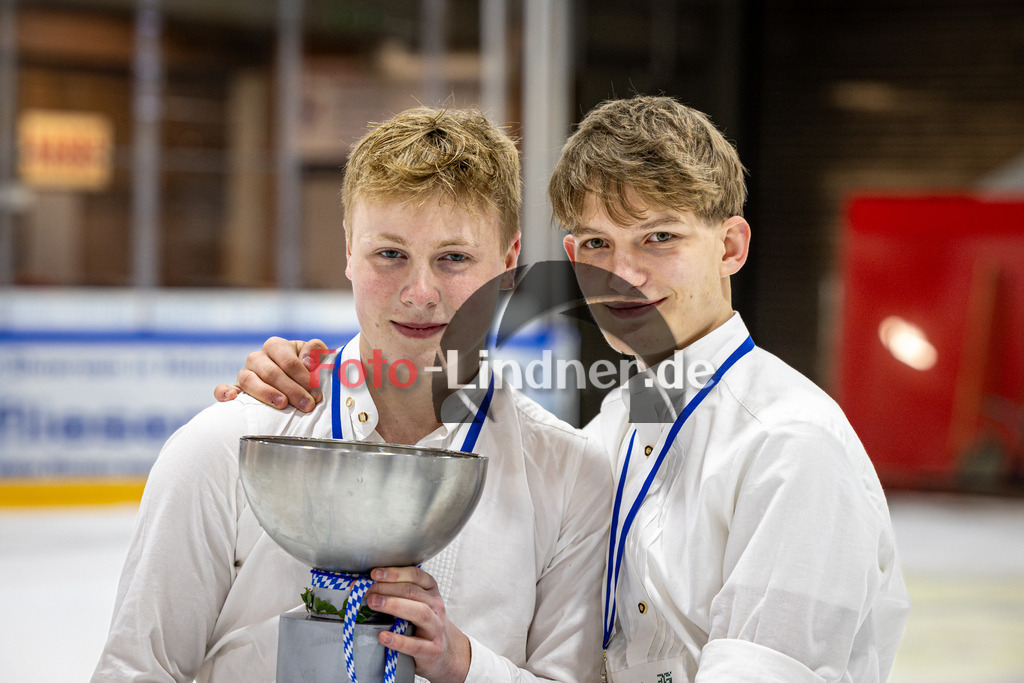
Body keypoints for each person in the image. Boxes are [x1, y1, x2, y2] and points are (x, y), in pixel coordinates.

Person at [220, 95, 911, 682]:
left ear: (730, 246)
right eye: (597, 246)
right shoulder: (612, 428)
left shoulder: (789, 446)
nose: (625, 275)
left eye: (659, 237)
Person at [94, 107, 611, 682]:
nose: (420, 293)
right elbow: (136, 671)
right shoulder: (226, 446)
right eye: (389, 254)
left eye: (455, 258)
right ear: (347, 250)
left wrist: (463, 664)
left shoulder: (571, 478)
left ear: (509, 262)